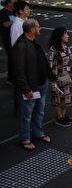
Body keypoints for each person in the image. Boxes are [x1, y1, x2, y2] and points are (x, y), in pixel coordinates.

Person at [13, 19, 54, 150]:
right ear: (32, 30)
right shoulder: (21, 46)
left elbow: (43, 62)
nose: (40, 28)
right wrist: (26, 89)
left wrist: (51, 78)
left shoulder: (34, 42)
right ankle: (25, 139)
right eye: (38, 27)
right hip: (31, 88)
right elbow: (18, 71)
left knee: (39, 111)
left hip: (41, 84)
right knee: (27, 115)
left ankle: (38, 132)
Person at [47, 27, 72, 127]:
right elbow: (49, 65)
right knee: (58, 98)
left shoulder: (66, 47)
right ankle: (60, 117)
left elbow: (70, 62)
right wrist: (52, 80)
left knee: (66, 98)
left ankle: (63, 116)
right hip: (58, 78)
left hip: (67, 77)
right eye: (66, 34)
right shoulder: (53, 49)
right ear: (60, 36)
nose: (68, 35)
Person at [1, 0, 16, 82]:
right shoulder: (3, 12)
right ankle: (10, 79)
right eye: (14, 2)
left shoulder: (13, 12)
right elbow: (5, 24)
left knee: (15, 58)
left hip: (14, 37)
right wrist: (16, 21)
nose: (15, 4)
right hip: (7, 39)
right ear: (9, 3)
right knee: (11, 58)